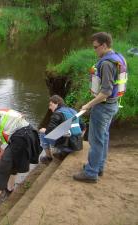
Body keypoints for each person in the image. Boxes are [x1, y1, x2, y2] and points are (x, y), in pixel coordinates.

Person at [73, 32, 127, 183]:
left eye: (96, 47)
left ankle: (91, 173)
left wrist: (88, 105)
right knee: (103, 136)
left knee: (95, 140)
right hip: (113, 104)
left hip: (103, 107)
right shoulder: (118, 57)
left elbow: (105, 92)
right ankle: (98, 167)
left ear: (104, 45)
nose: (94, 50)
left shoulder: (106, 64)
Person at [0, 104, 41, 214]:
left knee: (0, 170)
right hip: (31, 133)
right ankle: (10, 189)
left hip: (21, 138)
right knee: (12, 163)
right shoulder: (0, 113)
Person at [39, 95, 85, 164]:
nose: (49, 107)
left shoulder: (57, 114)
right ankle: (62, 151)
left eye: (51, 105)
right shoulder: (73, 111)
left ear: (57, 103)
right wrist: (79, 137)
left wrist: (43, 130)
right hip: (77, 144)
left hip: (66, 146)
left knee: (42, 132)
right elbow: (83, 127)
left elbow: (49, 132)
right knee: (63, 133)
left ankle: (48, 157)